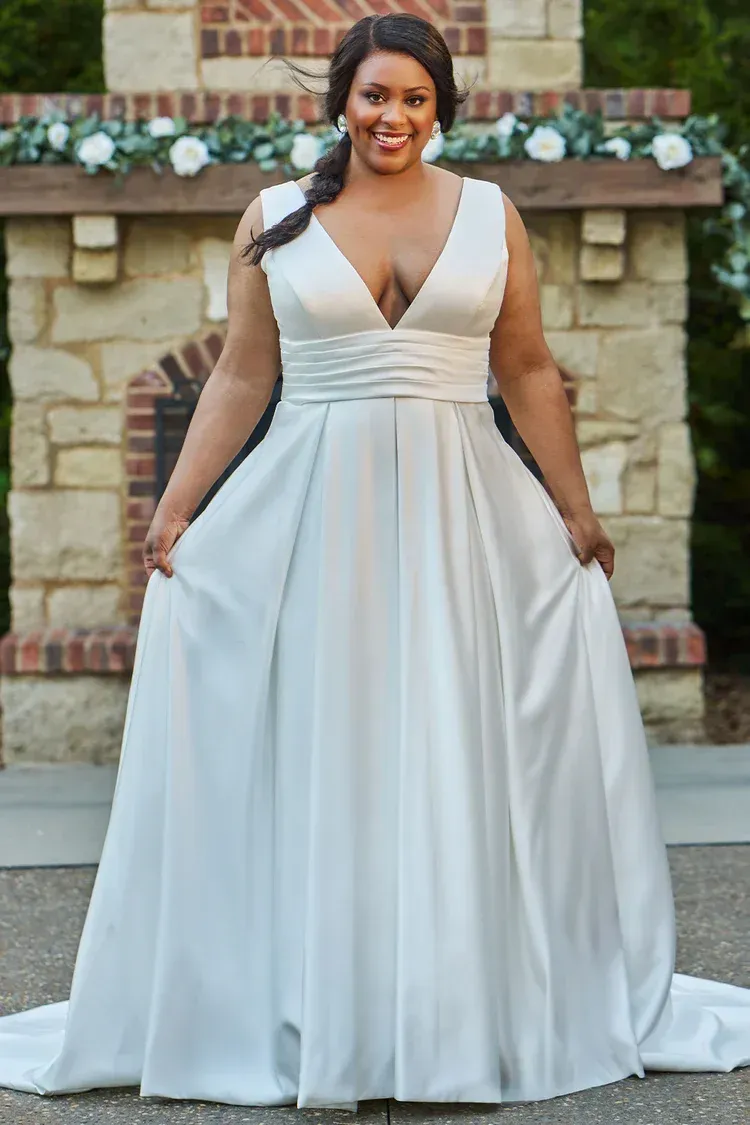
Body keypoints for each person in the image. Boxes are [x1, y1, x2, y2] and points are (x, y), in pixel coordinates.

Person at [1, 12, 749, 1111]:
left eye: (412, 99)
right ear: (339, 102)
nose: (390, 117)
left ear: (439, 109)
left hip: (466, 511)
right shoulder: (275, 219)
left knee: (453, 736)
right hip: (313, 512)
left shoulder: (491, 215)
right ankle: (322, 997)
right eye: (373, 96)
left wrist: (577, 512)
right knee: (333, 740)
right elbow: (243, 379)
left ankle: (452, 1004)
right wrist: (176, 509)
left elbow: (530, 369)